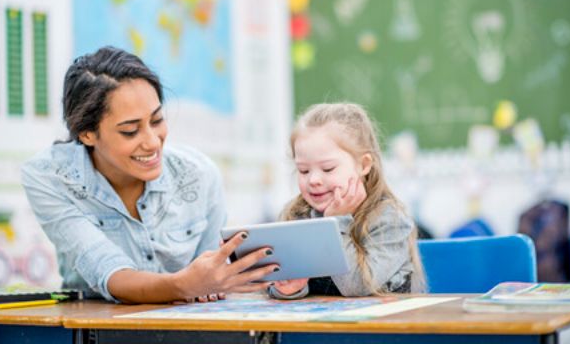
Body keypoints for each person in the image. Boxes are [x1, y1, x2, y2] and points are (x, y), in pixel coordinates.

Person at [21, 46, 278, 304]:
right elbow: (108, 270)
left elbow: (211, 282)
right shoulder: (49, 178)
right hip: (95, 330)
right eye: (130, 131)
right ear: (87, 134)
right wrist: (185, 285)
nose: (153, 142)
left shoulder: (199, 175)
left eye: (156, 121)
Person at [269, 103, 425, 299]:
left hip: (379, 327)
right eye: (303, 170)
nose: (314, 180)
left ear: (364, 165)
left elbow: (356, 287)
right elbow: (271, 283)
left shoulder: (390, 220)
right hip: (316, 327)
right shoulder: (296, 215)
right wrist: (289, 288)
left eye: (328, 169)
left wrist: (336, 221)